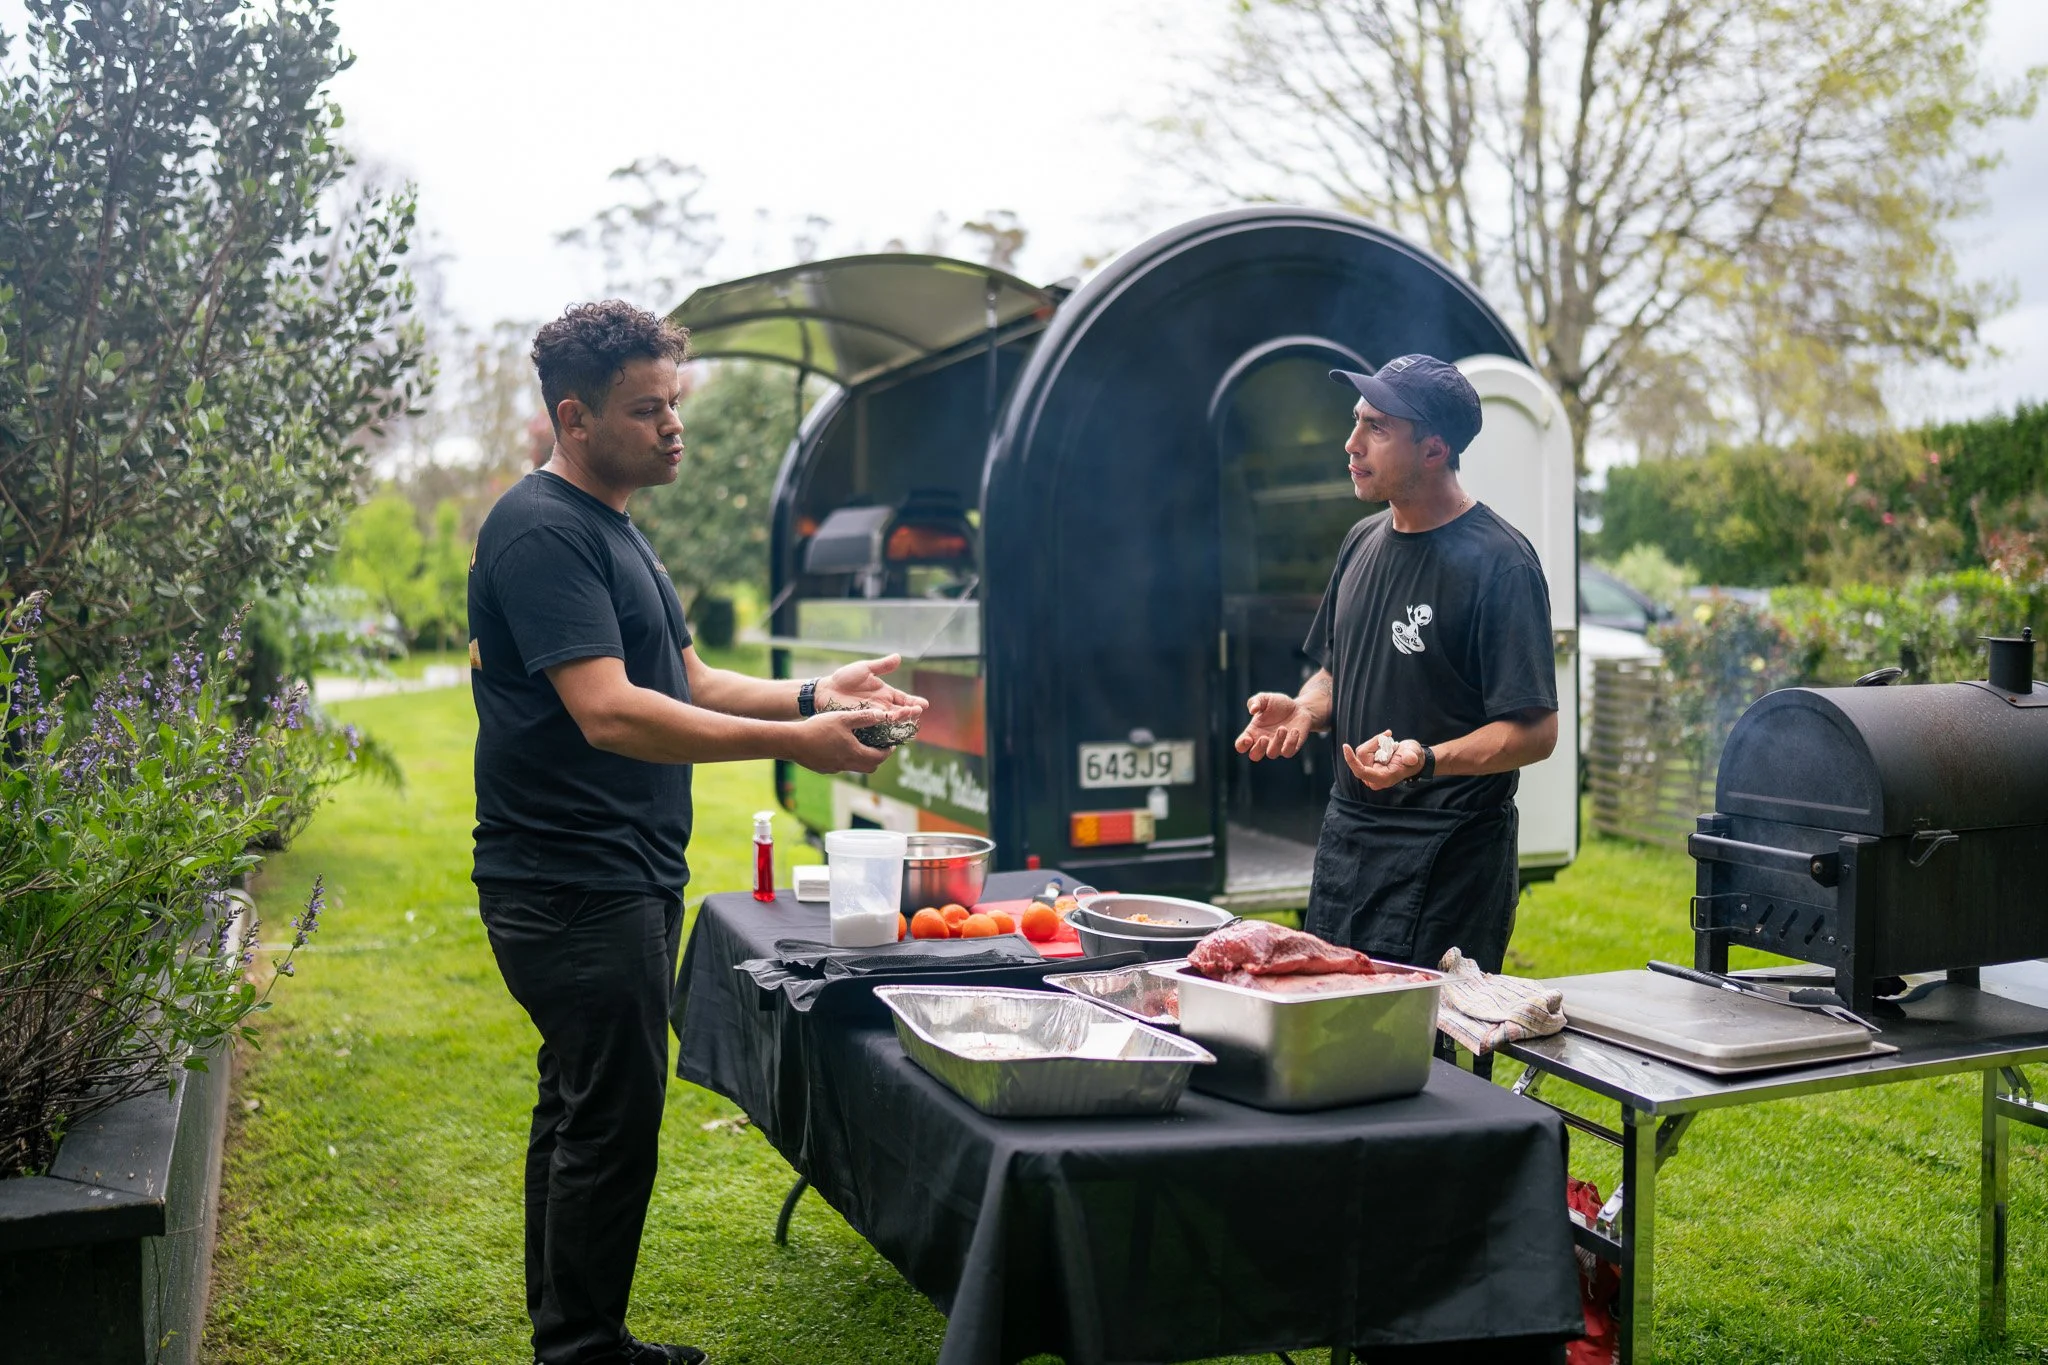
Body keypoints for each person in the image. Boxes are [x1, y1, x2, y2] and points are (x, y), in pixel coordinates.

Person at [467, 300, 925, 1365]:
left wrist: (813, 695)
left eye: (674, 404)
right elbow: (608, 710)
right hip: (570, 881)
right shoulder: (540, 530)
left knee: (582, 1108)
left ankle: (574, 1340)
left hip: (607, 874)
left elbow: (683, 681)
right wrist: (800, 746)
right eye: (646, 409)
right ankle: (583, 1351)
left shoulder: (614, 526)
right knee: (609, 1122)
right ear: (572, 418)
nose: (674, 427)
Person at [1235, 354, 1558, 974]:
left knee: (1421, 1051)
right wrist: (1304, 708)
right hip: (1349, 840)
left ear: (1434, 449)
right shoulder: (1360, 542)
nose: (1351, 444)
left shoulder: (1501, 563)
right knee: (1332, 1026)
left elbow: (1535, 732)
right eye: (1356, 422)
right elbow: (1339, 669)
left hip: (1448, 852)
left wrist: (1427, 760)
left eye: (1377, 428)